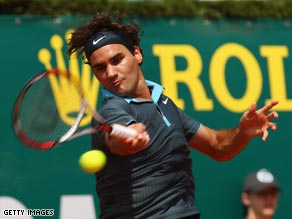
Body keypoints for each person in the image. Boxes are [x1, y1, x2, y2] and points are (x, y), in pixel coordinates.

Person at [67, 12, 279, 219]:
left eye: (117, 60)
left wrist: (243, 132)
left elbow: (216, 146)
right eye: (100, 68)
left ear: (137, 54)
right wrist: (129, 137)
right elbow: (116, 139)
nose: (110, 73)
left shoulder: (165, 104)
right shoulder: (111, 111)